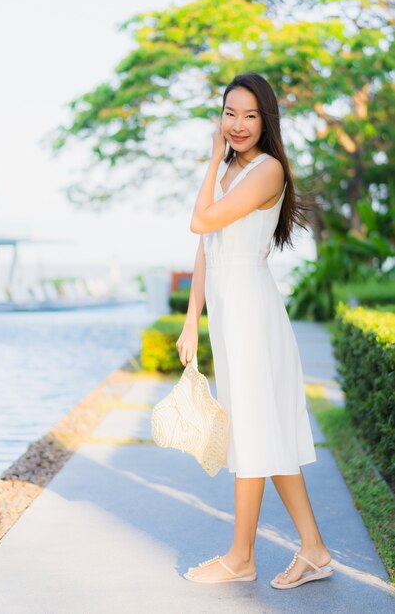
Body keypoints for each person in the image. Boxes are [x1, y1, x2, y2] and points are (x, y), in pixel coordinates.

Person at [176, 72, 334, 589]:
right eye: (230, 113)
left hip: (250, 313)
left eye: (249, 115)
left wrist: (210, 160)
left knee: (252, 430)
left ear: (267, 120)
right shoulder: (231, 170)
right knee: (267, 432)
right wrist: (191, 317)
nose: (238, 125)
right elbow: (206, 247)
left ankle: (241, 557)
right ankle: (314, 550)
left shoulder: (267, 172)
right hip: (229, 311)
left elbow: (200, 222)